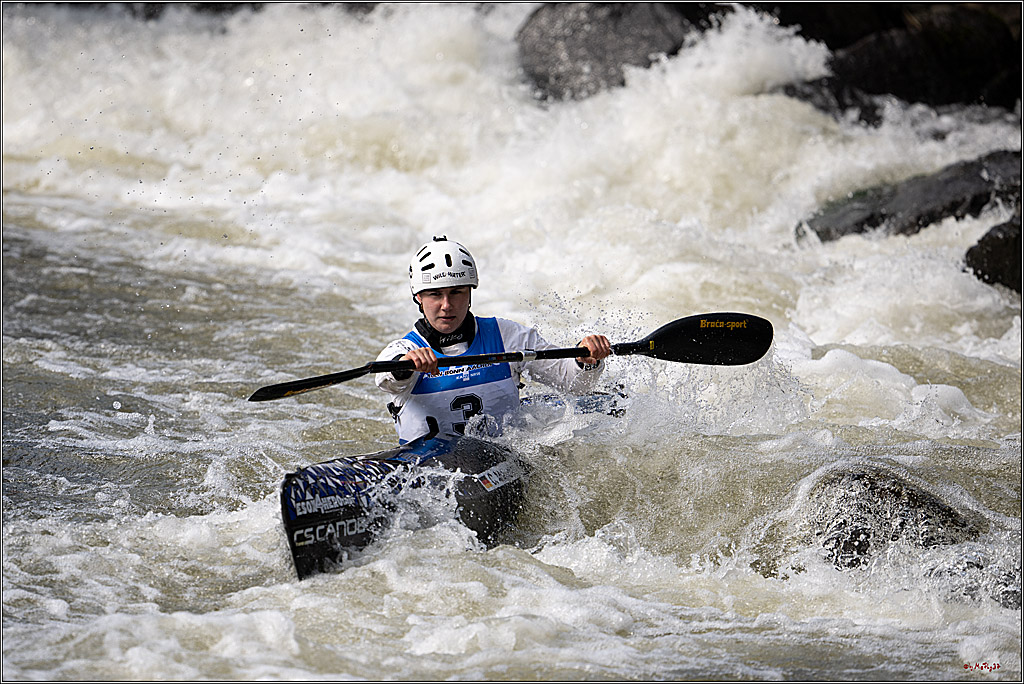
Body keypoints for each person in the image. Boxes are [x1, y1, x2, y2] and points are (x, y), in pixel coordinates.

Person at [376, 236, 612, 443]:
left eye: (456, 292)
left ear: (470, 292)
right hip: (429, 467)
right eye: (435, 294)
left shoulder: (506, 335)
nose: (446, 305)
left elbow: (574, 384)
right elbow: (387, 379)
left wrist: (586, 361)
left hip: (501, 458)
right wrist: (405, 367)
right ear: (418, 297)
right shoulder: (404, 350)